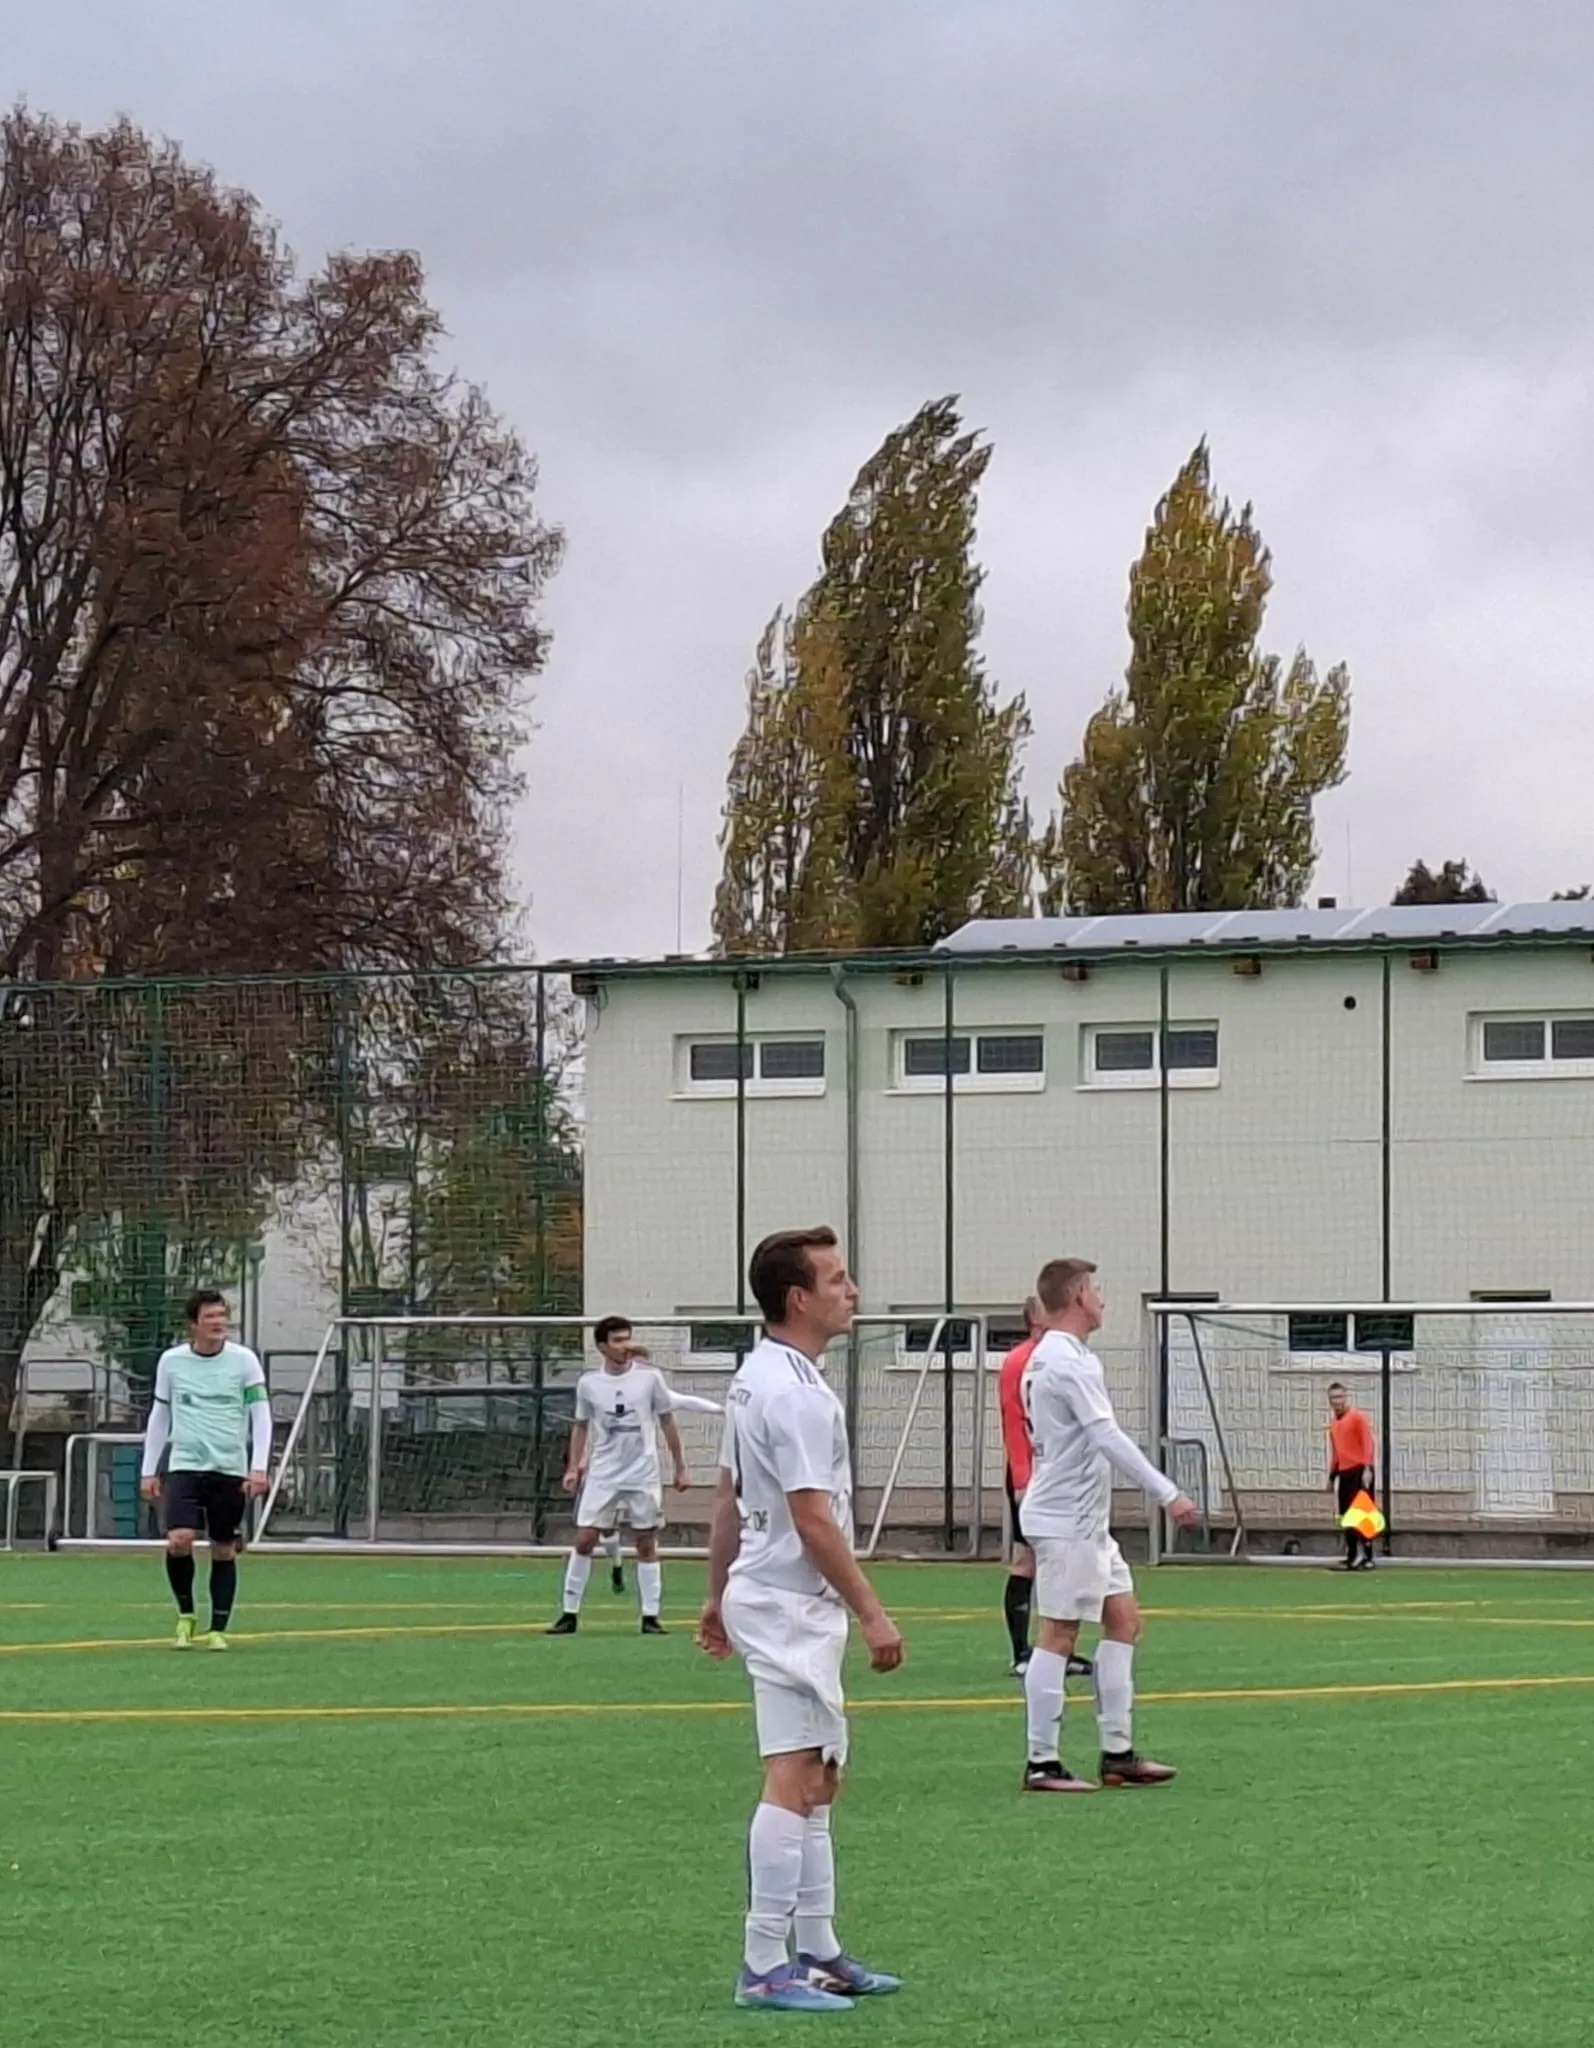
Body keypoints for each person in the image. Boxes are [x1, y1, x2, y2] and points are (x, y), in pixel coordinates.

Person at [697, 1227, 905, 2014]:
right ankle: (763, 1964)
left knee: (822, 1775)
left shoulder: (758, 1377)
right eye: (837, 1279)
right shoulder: (793, 1394)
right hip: (788, 1605)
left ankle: (817, 1950)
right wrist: (874, 1612)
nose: (852, 1291)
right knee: (792, 1777)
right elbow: (812, 1519)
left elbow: (727, 1495)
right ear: (799, 1299)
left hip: (775, 1599)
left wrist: (716, 1593)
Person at [1019, 1257, 1201, 1794]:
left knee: (1124, 1620)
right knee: (1059, 1633)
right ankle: (1042, 1762)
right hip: (1066, 1521)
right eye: (1096, 1289)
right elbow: (1106, 1436)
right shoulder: (1065, 1361)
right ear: (1078, 1295)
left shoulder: (1064, 1355)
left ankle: (1118, 1753)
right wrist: (1167, 1493)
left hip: (1086, 1522)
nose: (1102, 1298)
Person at [139, 1289, 273, 1651]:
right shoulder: (172, 1362)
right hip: (185, 1464)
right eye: (210, 1317)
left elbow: (261, 1415)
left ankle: (218, 1629)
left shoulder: (244, 1361)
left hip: (229, 1467)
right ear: (193, 1324)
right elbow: (160, 1414)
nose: (218, 1323)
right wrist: (149, 1470)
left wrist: (259, 1467)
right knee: (179, 1539)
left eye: (222, 1316)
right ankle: (186, 1615)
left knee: (223, 1548)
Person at [547, 1315, 691, 1635]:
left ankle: (650, 1616)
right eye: (617, 1340)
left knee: (646, 1544)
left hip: (642, 1474)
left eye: (627, 1338)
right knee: (585, 1539)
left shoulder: (649, 1378)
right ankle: (569, 1613)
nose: (625, 1345)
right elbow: (581, 1425)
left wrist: (680, 1466)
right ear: (602, 1347)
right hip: (604, 1474)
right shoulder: (589, 1383)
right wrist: (573, 1466)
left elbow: (667, 1421)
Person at [584, 1323, 723, 1594]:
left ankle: (646, 1601)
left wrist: (723, 1410)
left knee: (643, 1537)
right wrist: (581, 1462)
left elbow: (681, 1402)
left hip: (638, 1473)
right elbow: (588, 1424)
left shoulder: (647, 1384)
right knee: (603, 1528)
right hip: (606, 1470)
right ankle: (616, 1562)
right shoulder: (596, 1386)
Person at [997, 1297, 1091, 1687]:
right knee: (1027, 1560)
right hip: (1033, 1476)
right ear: (1036, 1318)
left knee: (1064, 1560)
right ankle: (1022, 1653)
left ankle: (1057, 1650)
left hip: (1062, 1477)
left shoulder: (1062, 1357)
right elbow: (1014, 1422)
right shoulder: (1021, 1361)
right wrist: (1022, 1479)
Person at [1326, 1382, 1378, 1571]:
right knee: (1346, 1515)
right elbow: (1337, 1452)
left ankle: (1367, 1556)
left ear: (1345, 1397)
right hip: (1345, 1472)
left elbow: (1368, 1443)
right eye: (1333, 1398)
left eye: (1340, 1397)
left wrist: (1367, 1468)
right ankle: (1351, 1555)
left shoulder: (1357, 1417)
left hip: (1360, 1470)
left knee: (1362, 1513)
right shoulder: (1334, 1424)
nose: (1337, 1401)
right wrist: (1332, 1476)